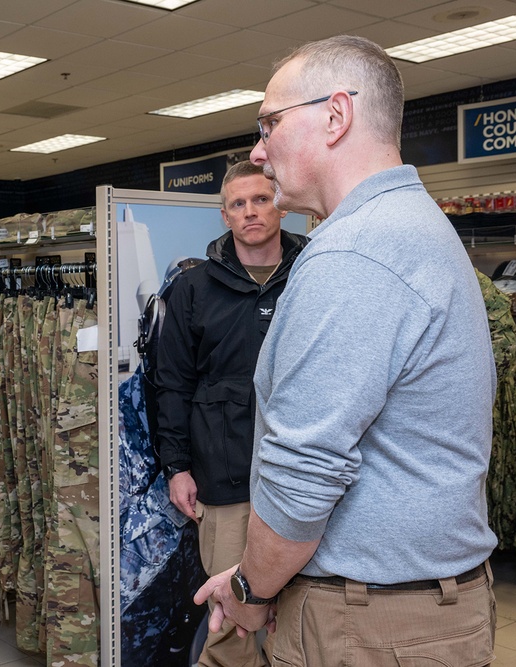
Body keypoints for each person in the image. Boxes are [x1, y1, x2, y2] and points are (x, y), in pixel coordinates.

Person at [195, 35, 499, 665]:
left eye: (270, 122)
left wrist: (251, 585)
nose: (259, 149)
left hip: (371, 621)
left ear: (336, 116)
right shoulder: (411, 223)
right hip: (409, 608)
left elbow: (305, 470)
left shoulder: (355, 252)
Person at [155, 159, 305, 667]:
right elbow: (172, 383)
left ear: (280, 205)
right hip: (224, 481)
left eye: (261, 199)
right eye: (238, 204)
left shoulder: (313, 275)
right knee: (233, 619)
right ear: (224, 217)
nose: (251, 212)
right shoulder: (193, 290)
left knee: (305, 615)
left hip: (306, 477)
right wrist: (176, 467)